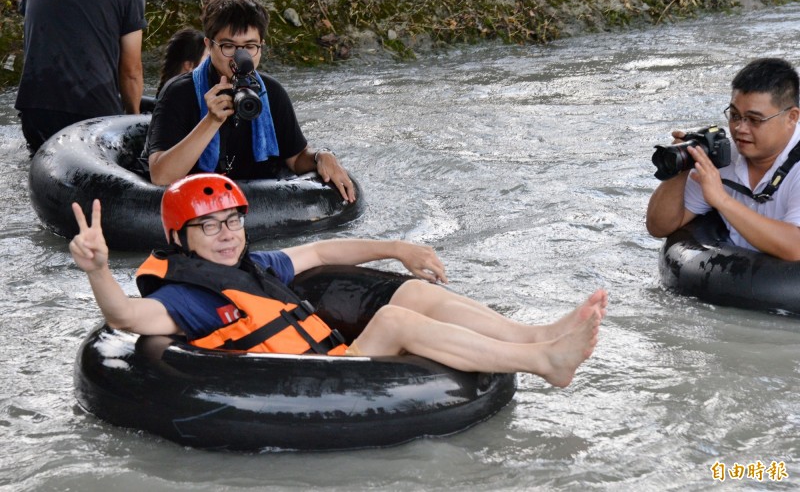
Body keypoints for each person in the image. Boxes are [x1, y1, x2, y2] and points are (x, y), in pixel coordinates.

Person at [69, 173, 606, 387]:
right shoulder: (191, 295)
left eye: (232, 221)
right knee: (395, 318)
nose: (226, 235)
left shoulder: (253, 267)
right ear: (181, 239)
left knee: (412, 293)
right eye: (208, 228)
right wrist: (98, 270)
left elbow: (323, 249)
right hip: (308, 383)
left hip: (332, 358)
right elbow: (126, 317)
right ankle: (542, 362)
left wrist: (397, 249)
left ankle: (535, 334)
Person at [144, 0, 356, 203]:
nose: (240, 56)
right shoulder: (180, 92)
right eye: (228, 46)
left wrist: (322, 156)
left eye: (250, 46)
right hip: (197, 202)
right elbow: (162, 177)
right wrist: (211, 121)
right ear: (209, 46)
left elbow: (296, 158)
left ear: (260, 47)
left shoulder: (272, 92)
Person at [647, 58, 800, 261]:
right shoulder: (722, 158)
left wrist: (722, 200)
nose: (740, 129)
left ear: (792, 117)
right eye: (735, 116)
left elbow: (796, 248)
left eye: (754, 120)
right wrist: (681, 169)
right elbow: (659, 227)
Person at [15, 0, 146, 155]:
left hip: (35, 108)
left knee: (41, 172)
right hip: (93, 115)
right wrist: (134, 122)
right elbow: (131, 71)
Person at [156, 28, 207, 98]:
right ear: (189, 65)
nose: (212, 62)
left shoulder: (167, 94)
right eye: (208, 57)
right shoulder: (186, 99)